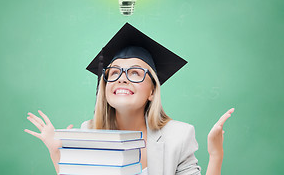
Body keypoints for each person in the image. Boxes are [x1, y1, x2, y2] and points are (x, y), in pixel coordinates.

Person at [24, 23, 234, 175]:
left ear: (152, 91)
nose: (122, 79)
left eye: (135, 73)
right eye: (114, 72)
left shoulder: (178, 136)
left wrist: (216, 155)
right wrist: (56, 152)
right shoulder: (89, 133)